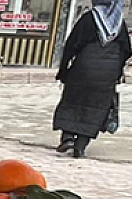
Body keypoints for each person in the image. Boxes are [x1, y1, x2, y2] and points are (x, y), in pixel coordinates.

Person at [54, 0, 132, 158]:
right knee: (96, 108)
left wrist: (63, 70)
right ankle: (81, 145)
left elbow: (71, 44)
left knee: (73, 101)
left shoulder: (89, 18)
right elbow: (126, 50)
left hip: (83, 68)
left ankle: (67, 138)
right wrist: (116, 72)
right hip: (107, 74)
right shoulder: (119, 25)